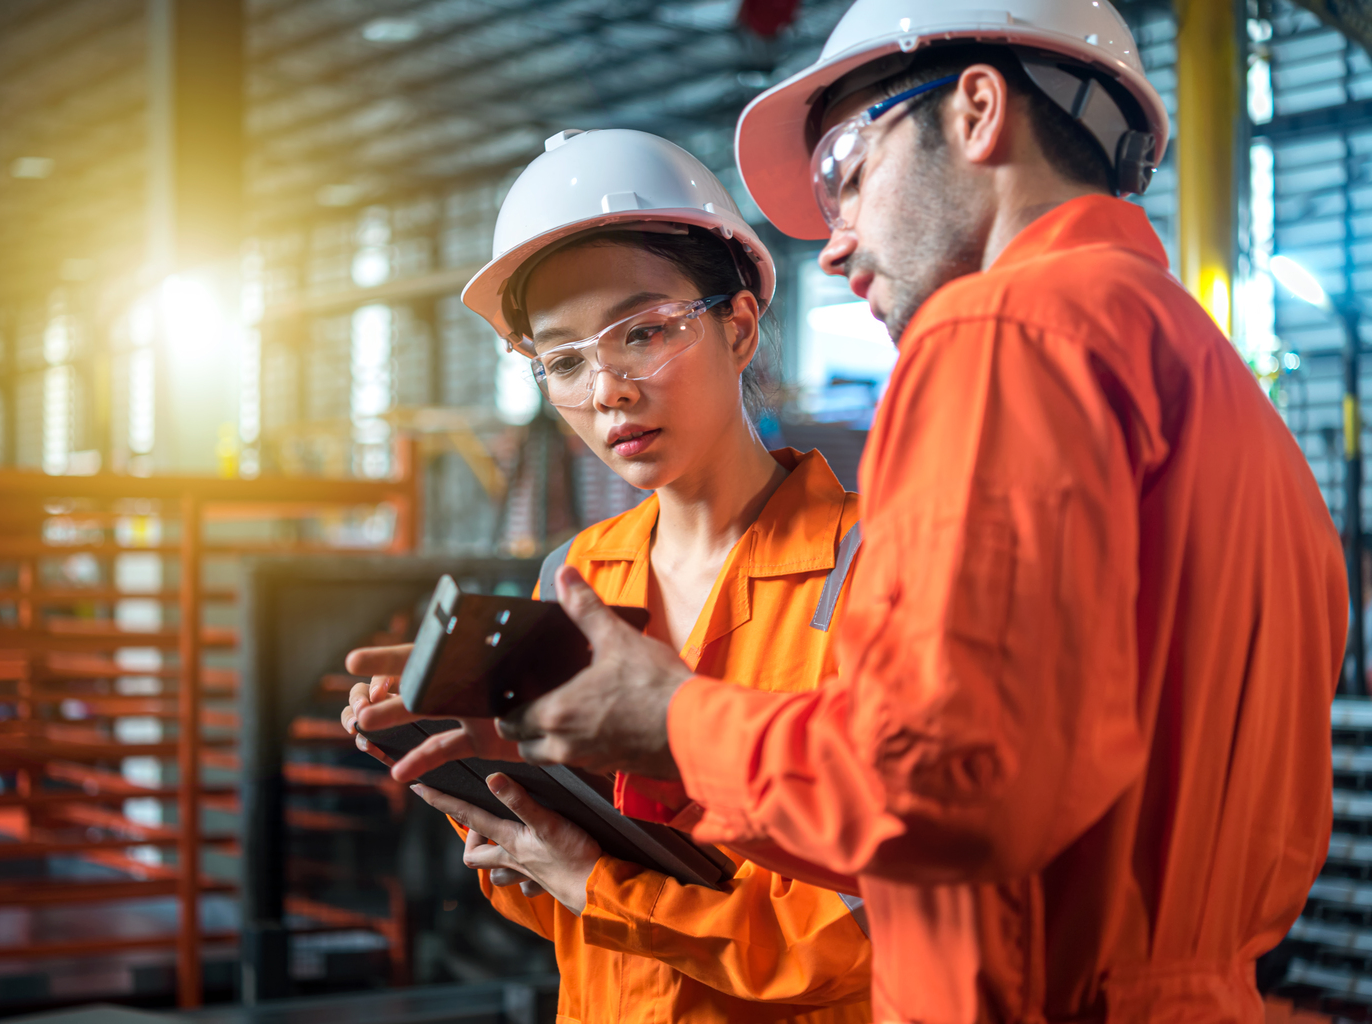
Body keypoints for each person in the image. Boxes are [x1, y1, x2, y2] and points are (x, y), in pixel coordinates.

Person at [360, 2, 1350, 1022]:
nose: (832, 246)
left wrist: (667, 720)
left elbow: (942, 790)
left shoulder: (1004, 335)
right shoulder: (1227, 397)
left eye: (847, 167)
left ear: (976, 110)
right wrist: (539, 758)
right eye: (562, 359)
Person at [346, 128, 874, 1023]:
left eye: (643, 332)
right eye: (563, 360)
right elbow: (567, 912)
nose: (608, 390)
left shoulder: (872, 563)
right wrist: (494, 796)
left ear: (739, 327)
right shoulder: (580, 575)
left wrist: (598, 883)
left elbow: (865, 920)